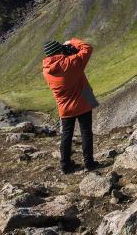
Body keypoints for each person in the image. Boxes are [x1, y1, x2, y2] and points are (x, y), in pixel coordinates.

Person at [42, 38, 99, 174]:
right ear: (60, 51)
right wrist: (72, 41)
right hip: (84, 98)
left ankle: (65, 166)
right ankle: (89, 163)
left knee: (66, 135)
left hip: (64, 105)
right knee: (86, 132)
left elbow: (62, 69)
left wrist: (65, 53)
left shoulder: (46, 70)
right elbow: (87, 48)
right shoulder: (73, 61)